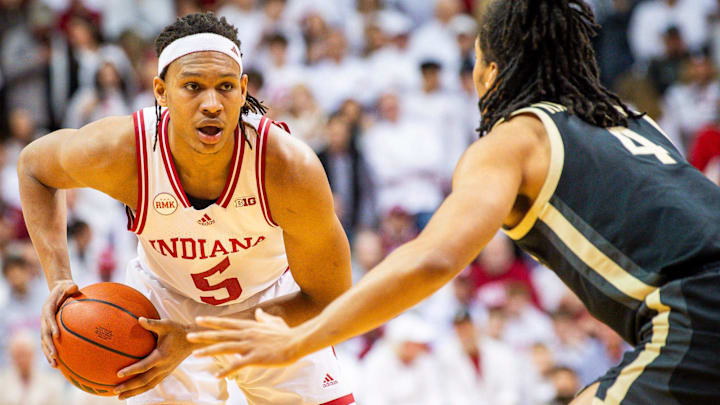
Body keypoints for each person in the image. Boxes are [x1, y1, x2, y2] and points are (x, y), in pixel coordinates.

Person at [187, 1, 720, 404]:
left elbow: (433, 259)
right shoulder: (634, 122)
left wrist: (299, 340)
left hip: (698, 314)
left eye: (475, 63)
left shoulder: (512, 140)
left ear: (490, 71)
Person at [18, 12, 354, 405]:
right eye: (192, 86)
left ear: (244, 90)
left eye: (226, 87)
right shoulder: (121, 152)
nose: (211, 103)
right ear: (161, 90)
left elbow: (329, 296)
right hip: (160, 309)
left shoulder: (288, 169)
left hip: (271, 305)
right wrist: (59, 278)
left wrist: (196, 336)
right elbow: (34, 168)